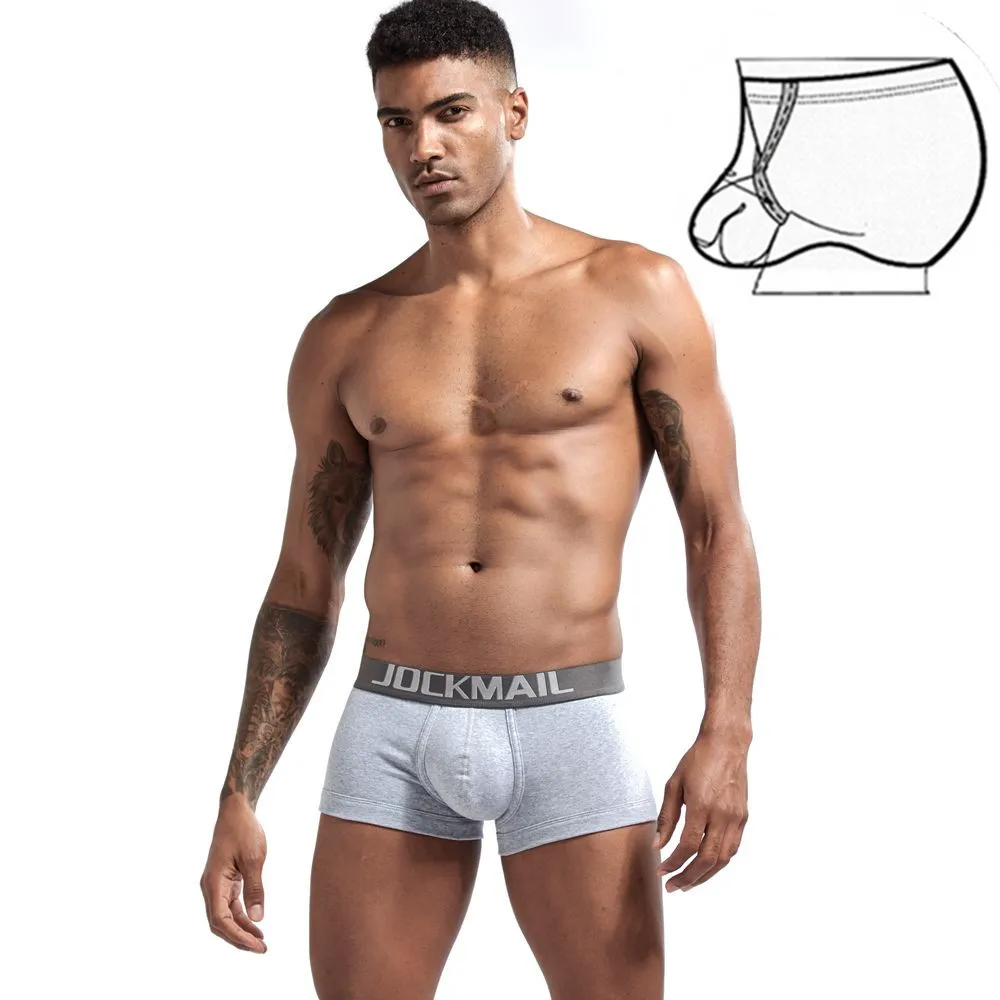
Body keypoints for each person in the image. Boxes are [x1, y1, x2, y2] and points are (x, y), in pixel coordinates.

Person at [199, 1, 761, 997]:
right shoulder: (346, 334)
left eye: (450, 111)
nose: (423, 145)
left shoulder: (634, 291)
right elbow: (302, 581)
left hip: (570, 721)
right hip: (393, 727)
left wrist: (728, 730)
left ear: (515, 113)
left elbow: (714, 528)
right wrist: (240, 791)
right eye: (397, 120)